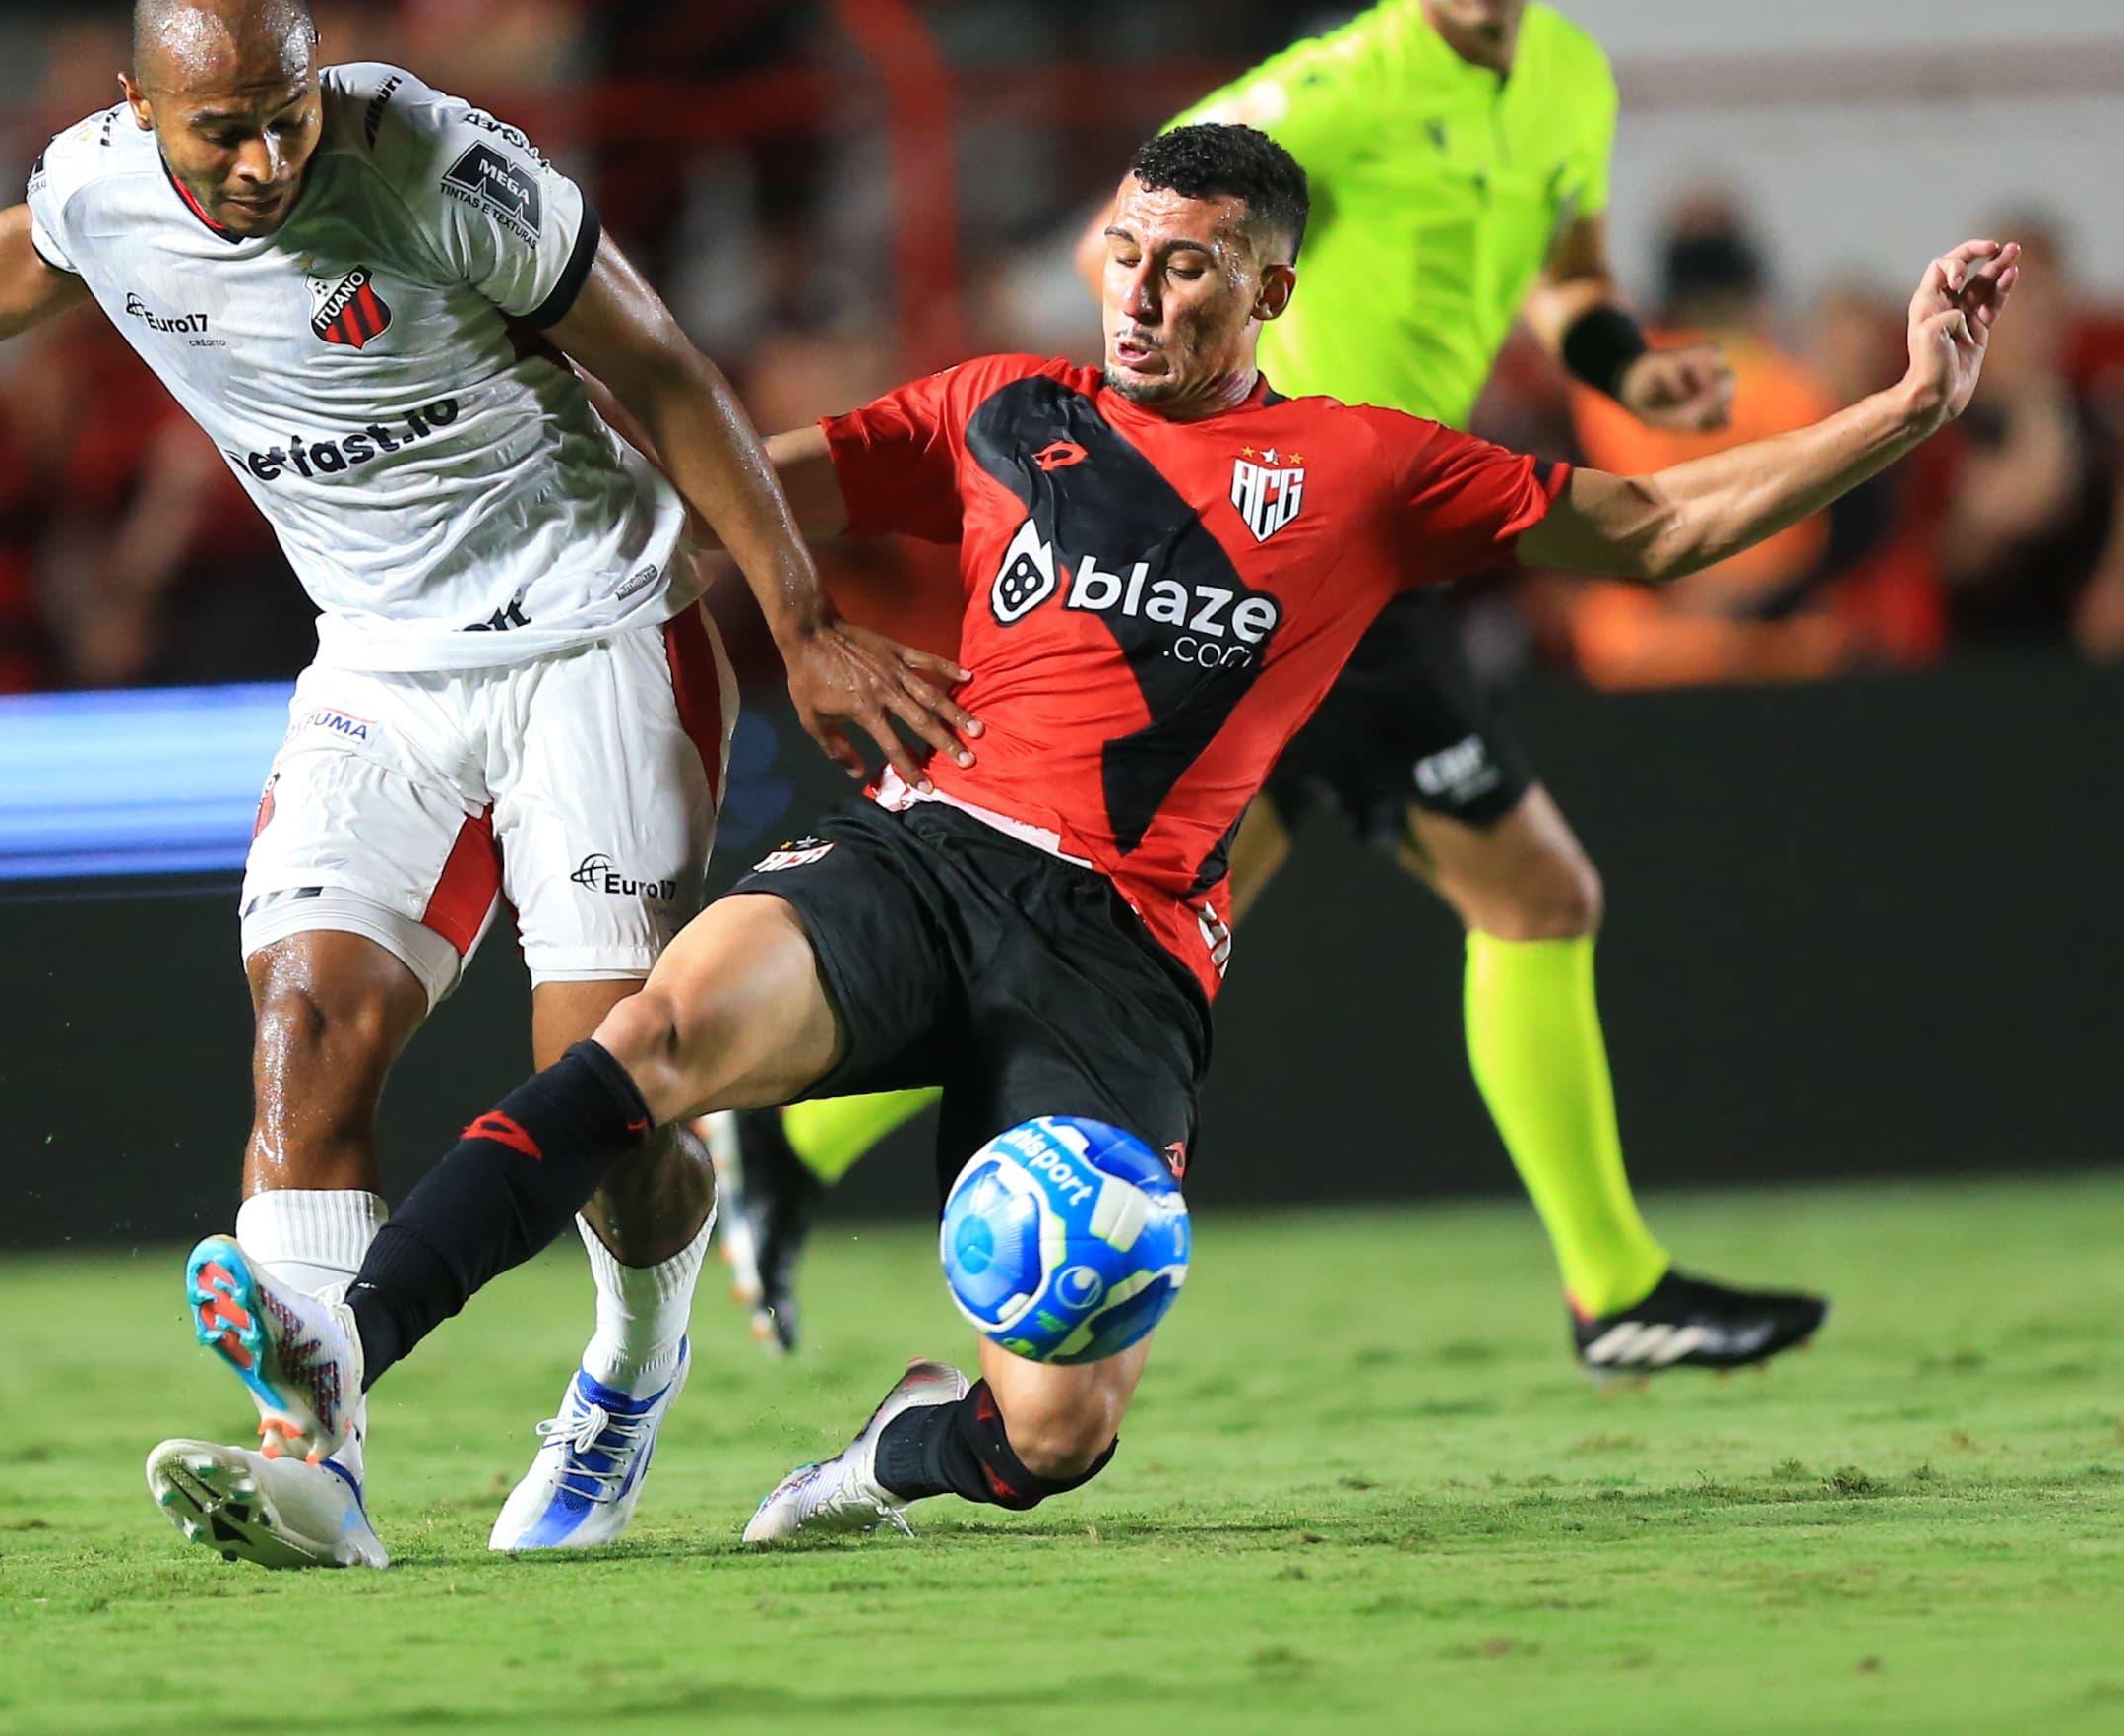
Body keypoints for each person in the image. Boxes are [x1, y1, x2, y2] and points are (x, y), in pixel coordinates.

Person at [170, 124, 2013, 1549]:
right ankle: (348, 1353)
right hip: (929, 851)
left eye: (1191, 269)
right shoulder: (998, 411)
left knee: (1054, 1438)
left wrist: (1910, 406)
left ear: (1267, 295)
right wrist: (449, 416)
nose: (1139, 293)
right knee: (641, 1043)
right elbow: (731, 475)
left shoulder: (1366, 472)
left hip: (1124, 954)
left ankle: (900, 1448)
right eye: (1121, 253)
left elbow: (1658, 530)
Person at [0, 0, 969, 1565]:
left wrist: (795, 616)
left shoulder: (435, 164)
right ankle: (315, 1465)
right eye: (220, 134)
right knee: (304, 1024)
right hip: (380, 666)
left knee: (611, 1089)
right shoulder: (101, 185)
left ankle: (627, 1366)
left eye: (287, 118)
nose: (262, 162)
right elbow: (30, 256)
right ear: (140, 113)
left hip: (594, 631)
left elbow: (666, 369)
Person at [718, 0, 1825, 1380]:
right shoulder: (1336, 89)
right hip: (1301, 548)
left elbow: (1566, 260)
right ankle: (1612, 1286)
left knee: (1150, 903)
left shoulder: (1566, 78)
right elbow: (1160, 207)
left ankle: (779, 1151)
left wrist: (1619, 364)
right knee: (1533, 893)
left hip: (1371, 552)